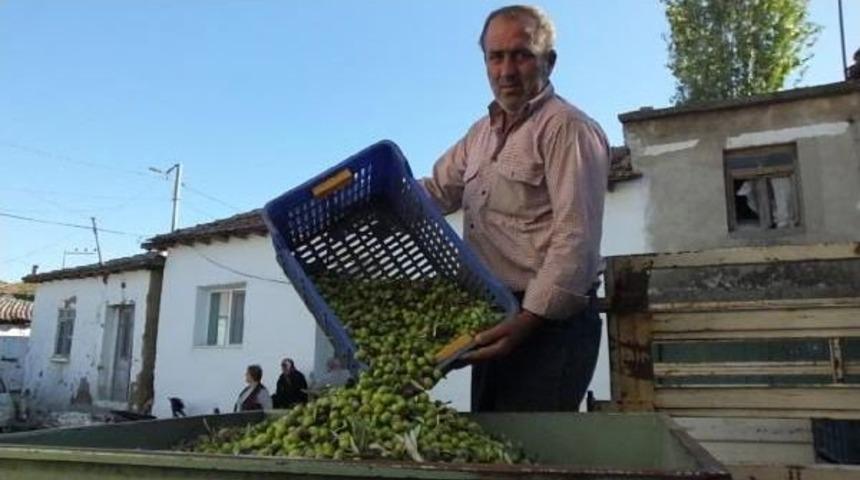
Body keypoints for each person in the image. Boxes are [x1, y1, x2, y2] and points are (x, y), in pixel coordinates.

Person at [421, 5, 609, 412]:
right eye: (496, 56)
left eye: (521, 54)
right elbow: (436, 191)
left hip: (546, 328)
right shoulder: (480, 134)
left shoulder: (567, 129)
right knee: (493, 452)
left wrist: (527, 320)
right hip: (493, 317)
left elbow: (575, 241)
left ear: (549, 61)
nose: (506, 70)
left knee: (529, 457)